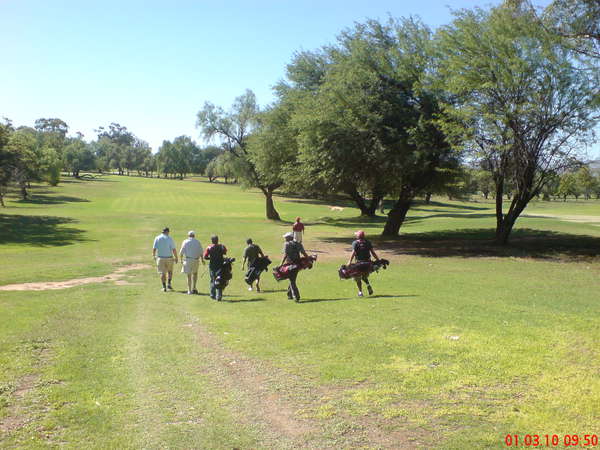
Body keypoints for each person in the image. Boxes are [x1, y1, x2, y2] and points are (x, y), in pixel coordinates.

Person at [347, 230, 380, 297]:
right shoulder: (368, 242)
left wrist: (349, 261)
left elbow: (353, 253)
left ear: (357, 236)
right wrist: (378, 259)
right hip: (367, 263)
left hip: (359, 263)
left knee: (357, 277)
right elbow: (373, 252)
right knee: (364, 276)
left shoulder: (355, 243)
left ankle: (360, 292)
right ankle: (368, 285)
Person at [280, 231, 308, 302]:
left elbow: (285, 255)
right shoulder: (298, 244)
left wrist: (281, 264)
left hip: (290, 265)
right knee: (292, 278)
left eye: (286, 237)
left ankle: (296, 296)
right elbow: (304, 253)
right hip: (298, 264)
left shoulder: (286, 244)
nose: (285, 239)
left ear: (290, 238)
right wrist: (308, 259)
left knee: (292, 281)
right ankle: (289, 294)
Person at [152, 227, 178, 292]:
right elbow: (173, 249)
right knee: (170, 271)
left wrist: (153, 255)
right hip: (169, 257)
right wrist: (176, 257)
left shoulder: (157, 238)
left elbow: (154, 248)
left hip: (160, 258)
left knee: (162, 273)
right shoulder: (169, 238)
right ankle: (169, 283)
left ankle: (164, 287)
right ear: (167, 232)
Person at [179, 230, 204, 295]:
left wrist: (181, 259)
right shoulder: (197, 242)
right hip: (196, 260)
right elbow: (201, 252)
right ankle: (194, 288)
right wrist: (202, 260)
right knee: (195, 274)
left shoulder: (185, 241)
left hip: (188, 260)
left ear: (188, 235)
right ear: (194, 235)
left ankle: (189, 290)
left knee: (189, 275)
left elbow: (181, 252)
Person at [203, 235, 227, 301]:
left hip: (212, 266)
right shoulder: (222, 246)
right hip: (221, 266)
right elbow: (225, 252)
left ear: (212, 240)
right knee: (220, 280)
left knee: (213, 280)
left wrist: (211, 258)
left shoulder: (209, 247)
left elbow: (205, 256)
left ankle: (212, 294)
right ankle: (219, 295)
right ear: (217, 240)